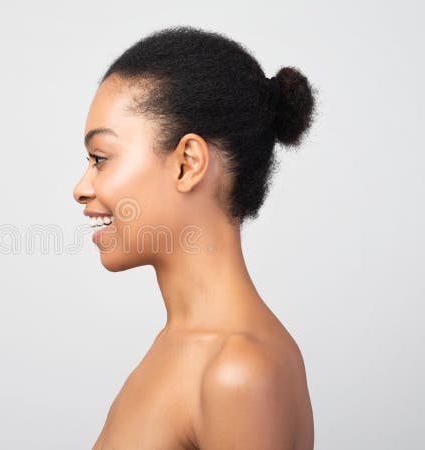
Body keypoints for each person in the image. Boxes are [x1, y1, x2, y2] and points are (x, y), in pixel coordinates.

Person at [73, 26, 317, 450]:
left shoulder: (239, 372)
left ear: (187, 164)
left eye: (101, 159)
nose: (81, 187)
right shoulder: (178, 346)